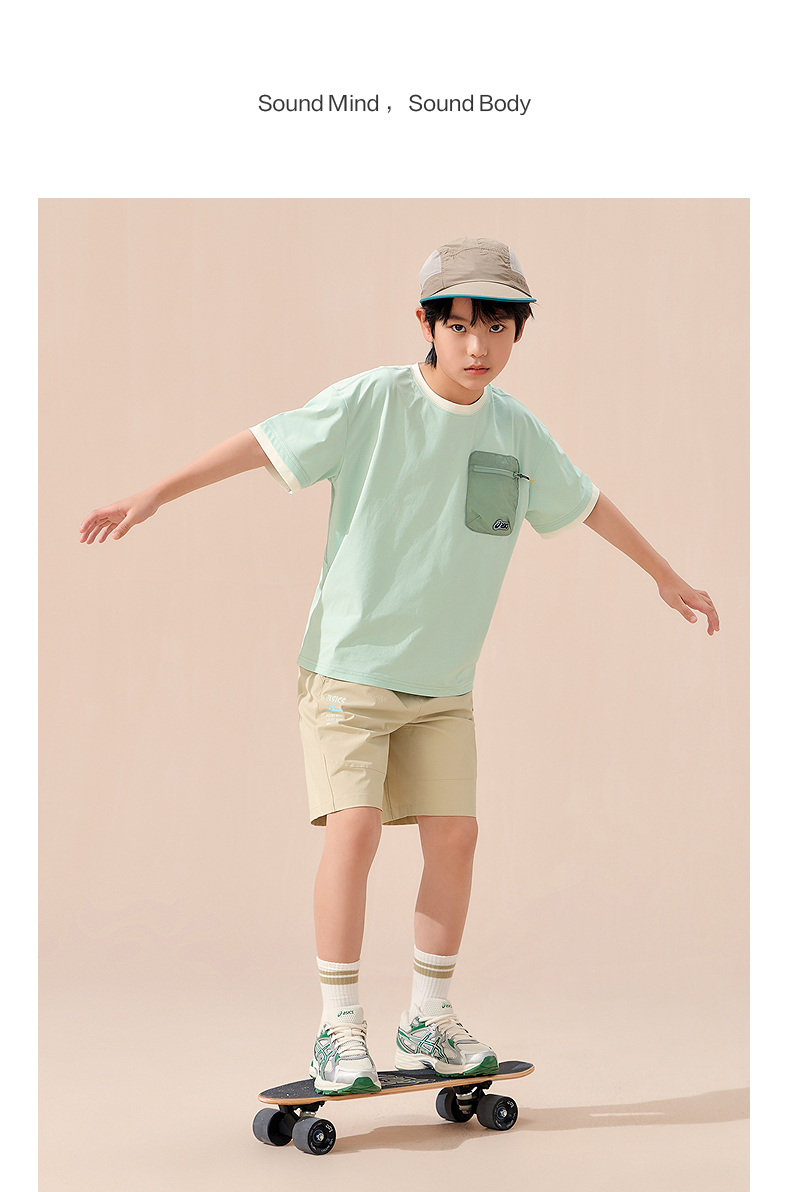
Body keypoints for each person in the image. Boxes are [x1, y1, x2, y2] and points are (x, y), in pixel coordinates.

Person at [79, 236, 719, 1096]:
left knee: (457, 836)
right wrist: (155, 491)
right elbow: (263, 444)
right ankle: (337, 1027)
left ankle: (428, 1015)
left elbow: (589, 502)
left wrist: (664, 575)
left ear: (518, 331)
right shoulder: (374, 401)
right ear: (426, 323)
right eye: (459, 326)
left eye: (497, 327)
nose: (478, 345)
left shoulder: (515, 429)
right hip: (349, 672)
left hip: (444, 685)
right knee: (356, 829)